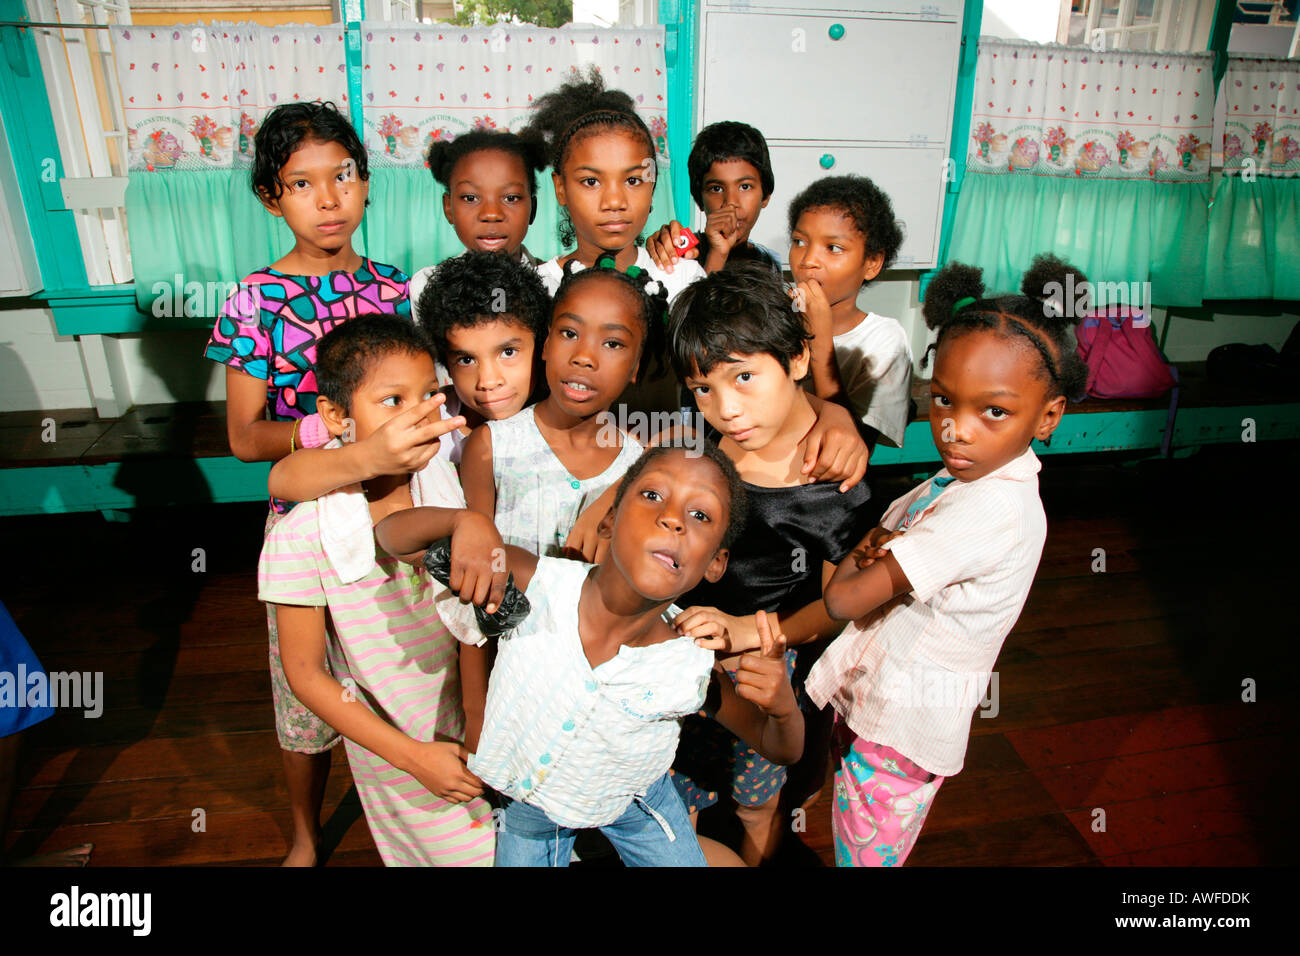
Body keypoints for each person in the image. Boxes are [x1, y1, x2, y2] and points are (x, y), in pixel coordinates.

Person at [375, 443, 805, 867]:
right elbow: (391, 537)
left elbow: (779, 748)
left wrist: (784, 711)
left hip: (636, 805)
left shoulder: (686, 662)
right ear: (609, 520)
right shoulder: (533, 582)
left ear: (715, 562)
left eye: (700, 515)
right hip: (529, 798)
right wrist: (463, 522)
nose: (673, 519)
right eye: (653, 495)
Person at [807, 255, 1084, 867]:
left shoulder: (992, 509)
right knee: (849, 833)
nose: (956, 430)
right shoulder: (966, 477)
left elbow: (843, 598)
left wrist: (864, 554)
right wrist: (871, 550)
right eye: (943, 401)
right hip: (878, 701)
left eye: (994, 411)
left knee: (865, 857)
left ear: (1049, 416)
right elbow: (876, 541)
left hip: (900, 730)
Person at [202, 100, 410, 866]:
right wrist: (326, 433)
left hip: (391, 508)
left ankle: (412, 804)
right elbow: (243, 437)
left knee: (393, 666)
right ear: (271, 197)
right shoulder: (255, 300)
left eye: (343, 177)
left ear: (364, 183)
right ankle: (303, 832)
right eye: (301, 184)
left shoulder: (394, 291)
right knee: (305, 691)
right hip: (304, 517)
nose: (328, 200)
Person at [260, 316, 502, 866]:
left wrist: (478, 715)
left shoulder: (448, 489)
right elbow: (304, 675)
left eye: (428, 398)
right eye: (393, 400)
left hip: (475, 712)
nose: (418, 417)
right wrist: (413, 758)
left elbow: (472, 616)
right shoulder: (303, 534)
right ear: (334, 416)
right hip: (391, 740)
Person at [665, 264, 876, 865]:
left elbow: (837, 611)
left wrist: (752, 635)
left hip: (770, 678)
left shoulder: (839, 485)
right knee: (682, 788)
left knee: (759, 802)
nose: (726, 407)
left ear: (799, 361)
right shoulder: (707, 456)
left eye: (745, 377)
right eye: (704, 388)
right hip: (691, 664)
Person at [264, 251, 550, 506]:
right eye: (466, 360)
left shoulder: (559, 420)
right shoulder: (425, 415)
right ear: (446, 365)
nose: (488, 380)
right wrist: (368, 457)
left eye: (508, 352)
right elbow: (283, 480)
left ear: (542, 347)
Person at [789, 175, 913, 451]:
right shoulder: (774, 318)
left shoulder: (883, 341)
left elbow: (853, 449)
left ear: (871, 263)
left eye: (833, 248)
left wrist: (819, 340)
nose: (808, 260)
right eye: (799, 242)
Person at [408, 129, 549, 307]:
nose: (491, 214)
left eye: (511, 198)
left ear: (533, 208)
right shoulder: (429, 286)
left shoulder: (555, 285)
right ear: (448, 208)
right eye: (470, 198)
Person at [646, 121, 782, 275]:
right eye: (716, 189)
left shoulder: (768, 264)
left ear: (765, 196)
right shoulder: (682, 253)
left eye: (745, 187)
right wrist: (717, 254)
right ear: (699, 199)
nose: (731, 202)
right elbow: (695, 299)